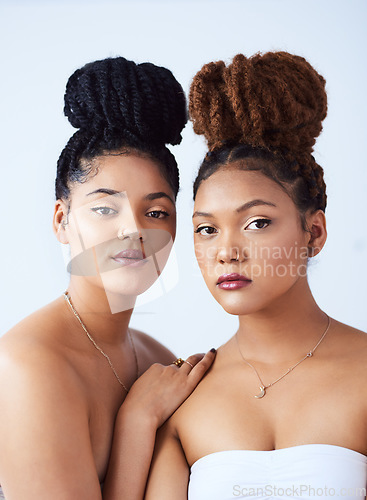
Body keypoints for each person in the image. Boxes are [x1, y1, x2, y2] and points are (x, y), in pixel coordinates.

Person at [145, 52, 367, 500]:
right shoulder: (180, 395)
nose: (226, 252)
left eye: (257, 223)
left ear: (314, 231)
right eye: (206, 229)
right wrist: (139, 419)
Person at [0, 56, 216, 500]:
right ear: (61, 220)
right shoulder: (28, 366)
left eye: (156, 212)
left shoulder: (158, 358)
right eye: (104, 208)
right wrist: (136, 421)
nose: (133, 230)